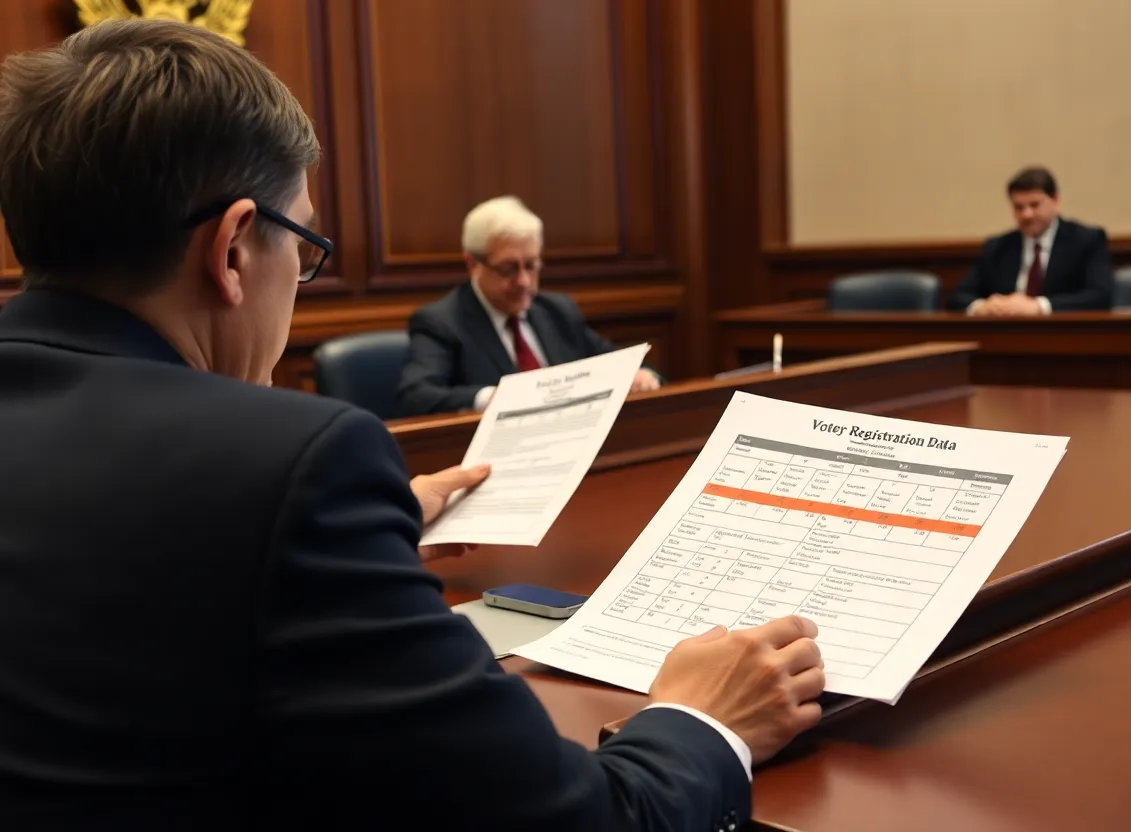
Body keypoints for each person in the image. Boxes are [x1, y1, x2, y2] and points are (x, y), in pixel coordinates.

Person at [0, 20, 825, 831]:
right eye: (305, 246)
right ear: (235, 249)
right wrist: (700, 718)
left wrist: (349, 536)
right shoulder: (287, 466)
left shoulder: (257, 491)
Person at [396, 196, 663, 417]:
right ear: (472, 264)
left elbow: (615, 360)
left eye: (532, 265)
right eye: (508, 269)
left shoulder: (557, 311)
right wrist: (494, 398)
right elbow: (416, 396)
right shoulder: (441, 322)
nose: (523, 281)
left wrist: (641, 374)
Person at [947, 166, 1114, 314]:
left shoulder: (1086, 240)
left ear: (1055, 201)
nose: (1026, 215)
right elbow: (957, 297)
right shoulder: (998, 247)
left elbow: (1100, 296)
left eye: (1034, 205)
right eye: (1018, 207)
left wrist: (1039, 306)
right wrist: (982, 306)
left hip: (1064, 333)